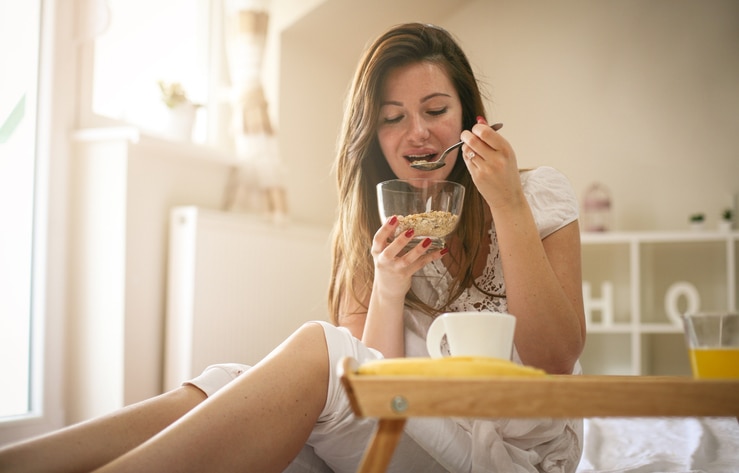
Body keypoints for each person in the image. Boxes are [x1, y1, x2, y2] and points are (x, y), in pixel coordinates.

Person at [0, 22, 586, 473]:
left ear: (468, 119)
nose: (418, 132)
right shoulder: (372, 222)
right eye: (392, 118)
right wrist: (388, 287)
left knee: (318, 349)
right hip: (411, 426)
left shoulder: (536, 194)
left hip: (517, 451)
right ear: (373, 138)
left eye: (436, 111)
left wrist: (505, 204)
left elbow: (555, 357)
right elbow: (373, 387)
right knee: (234, 380)